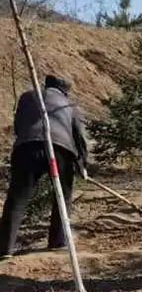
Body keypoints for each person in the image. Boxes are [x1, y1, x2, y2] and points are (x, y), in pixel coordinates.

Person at [0, 75, 89, 258]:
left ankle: (4, 248)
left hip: (27, 148)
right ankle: (57, 241)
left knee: (17, 199)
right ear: (65, 91)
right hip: (60, 150)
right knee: (62, 196)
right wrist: (82, 165)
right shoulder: (69, 105)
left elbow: (18, 126)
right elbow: (79, 137)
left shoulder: (27, 96)